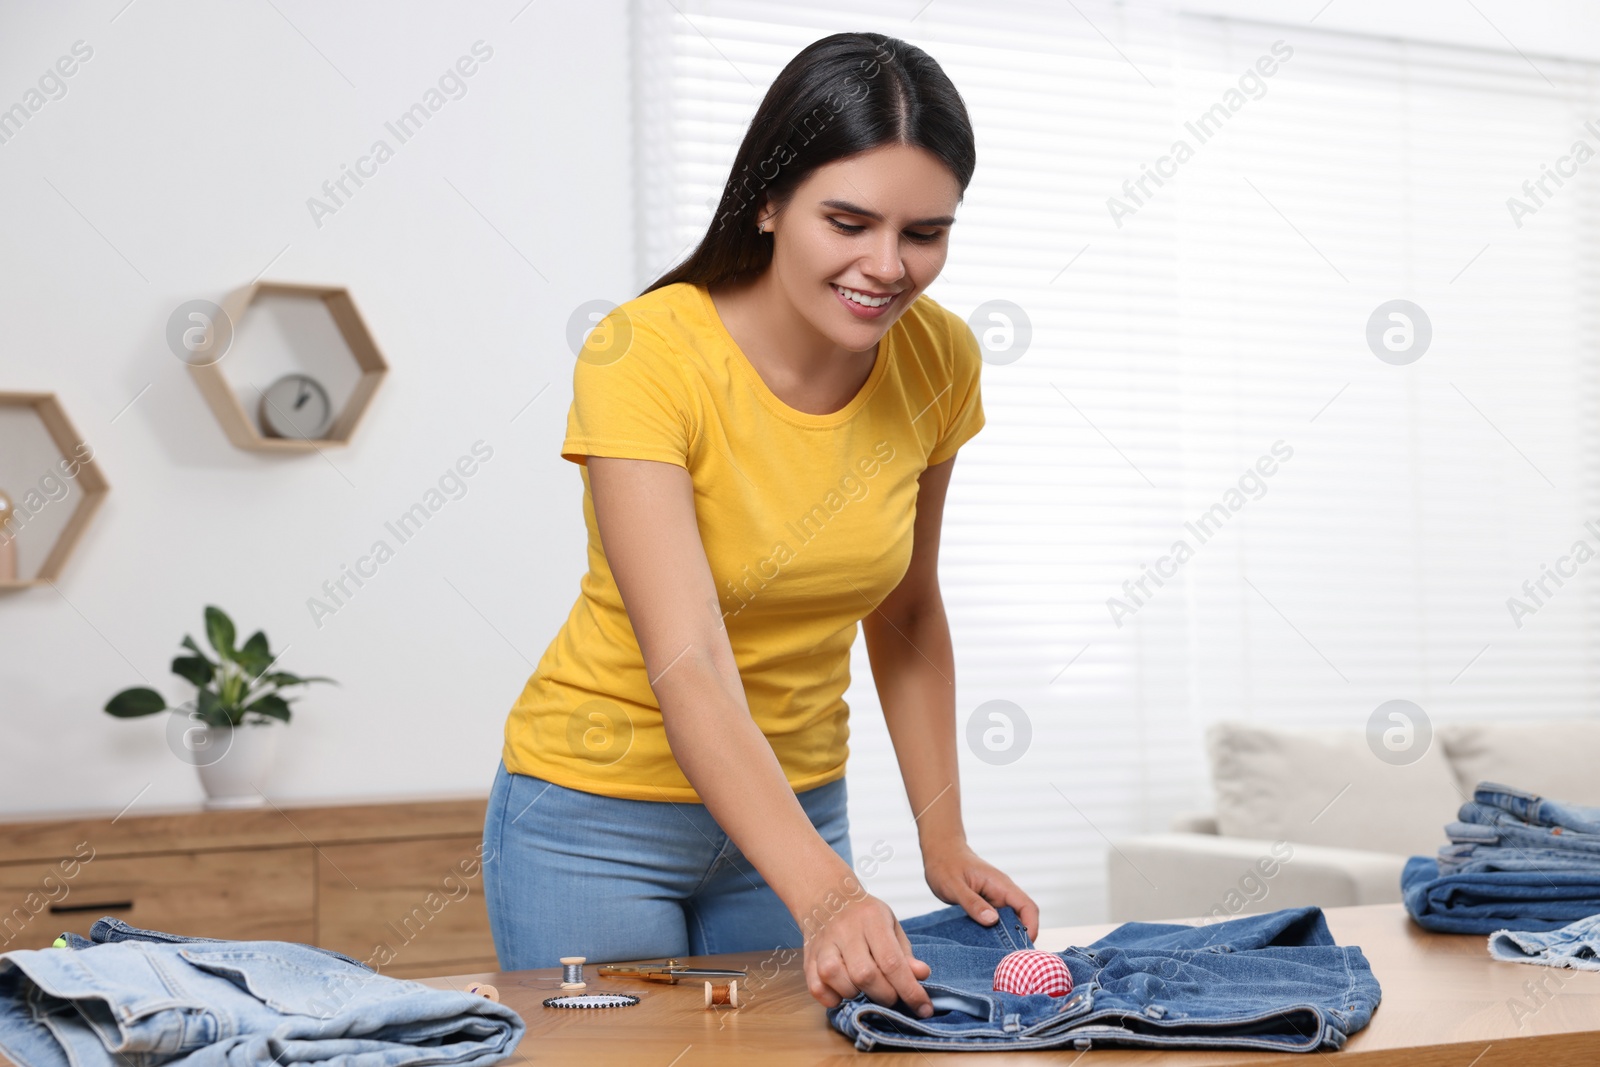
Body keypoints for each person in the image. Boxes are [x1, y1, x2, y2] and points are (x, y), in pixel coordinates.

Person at [483, 30, 1039, 1018]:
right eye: (849, 220)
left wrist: (939, 837)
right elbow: (687, 656)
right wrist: (827, 892)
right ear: (771, 200)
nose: (888, 265)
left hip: (794, 812)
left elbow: (906, 613)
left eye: (924, 232)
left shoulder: (940, 360)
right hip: (591, 819)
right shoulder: (646, 354)